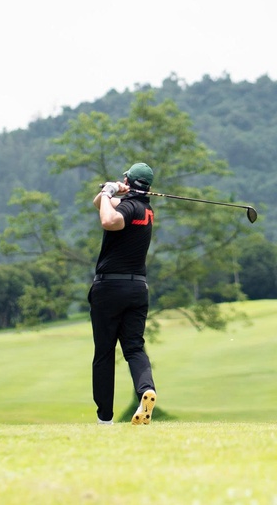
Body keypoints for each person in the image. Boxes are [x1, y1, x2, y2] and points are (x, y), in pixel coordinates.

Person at [89, 162, 158, 425]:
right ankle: (146, 389)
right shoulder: (146, 210)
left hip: (109, 289)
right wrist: (110, 191)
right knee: (134, 347)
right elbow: (100, 204)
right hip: (138, 289)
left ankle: (105, 418)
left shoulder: (127, 207)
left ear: (129, 180)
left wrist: (110, 192)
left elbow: (107, 219)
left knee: (105, 353)